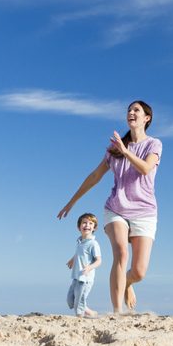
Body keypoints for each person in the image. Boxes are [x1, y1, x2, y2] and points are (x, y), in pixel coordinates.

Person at [58, 100, 162, 314]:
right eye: (129, 110)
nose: (131, 113)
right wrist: (72, 201)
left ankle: (127, 284)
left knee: (140, 272)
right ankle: (117, 312)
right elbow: (95, 176)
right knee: (121, 254)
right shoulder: (115, 149)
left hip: (145, 212)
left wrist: (126, 151)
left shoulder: (154, 144)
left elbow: (145, 168)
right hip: (116, 209)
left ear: (147, 118)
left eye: (136, 110)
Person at [65, 213, 102, 318]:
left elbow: (99, 261)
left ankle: (79, 320)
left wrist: (89, 268)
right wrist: (72, 260)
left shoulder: (93, 244)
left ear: (94, 227)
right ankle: (91, 313)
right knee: (70, 301)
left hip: (85, 279)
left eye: (91, 223)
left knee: (78, 306)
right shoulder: (80, 241)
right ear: (79, 227)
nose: (87, 225)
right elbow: (79, 253)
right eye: (84, 223)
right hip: (76, 276)